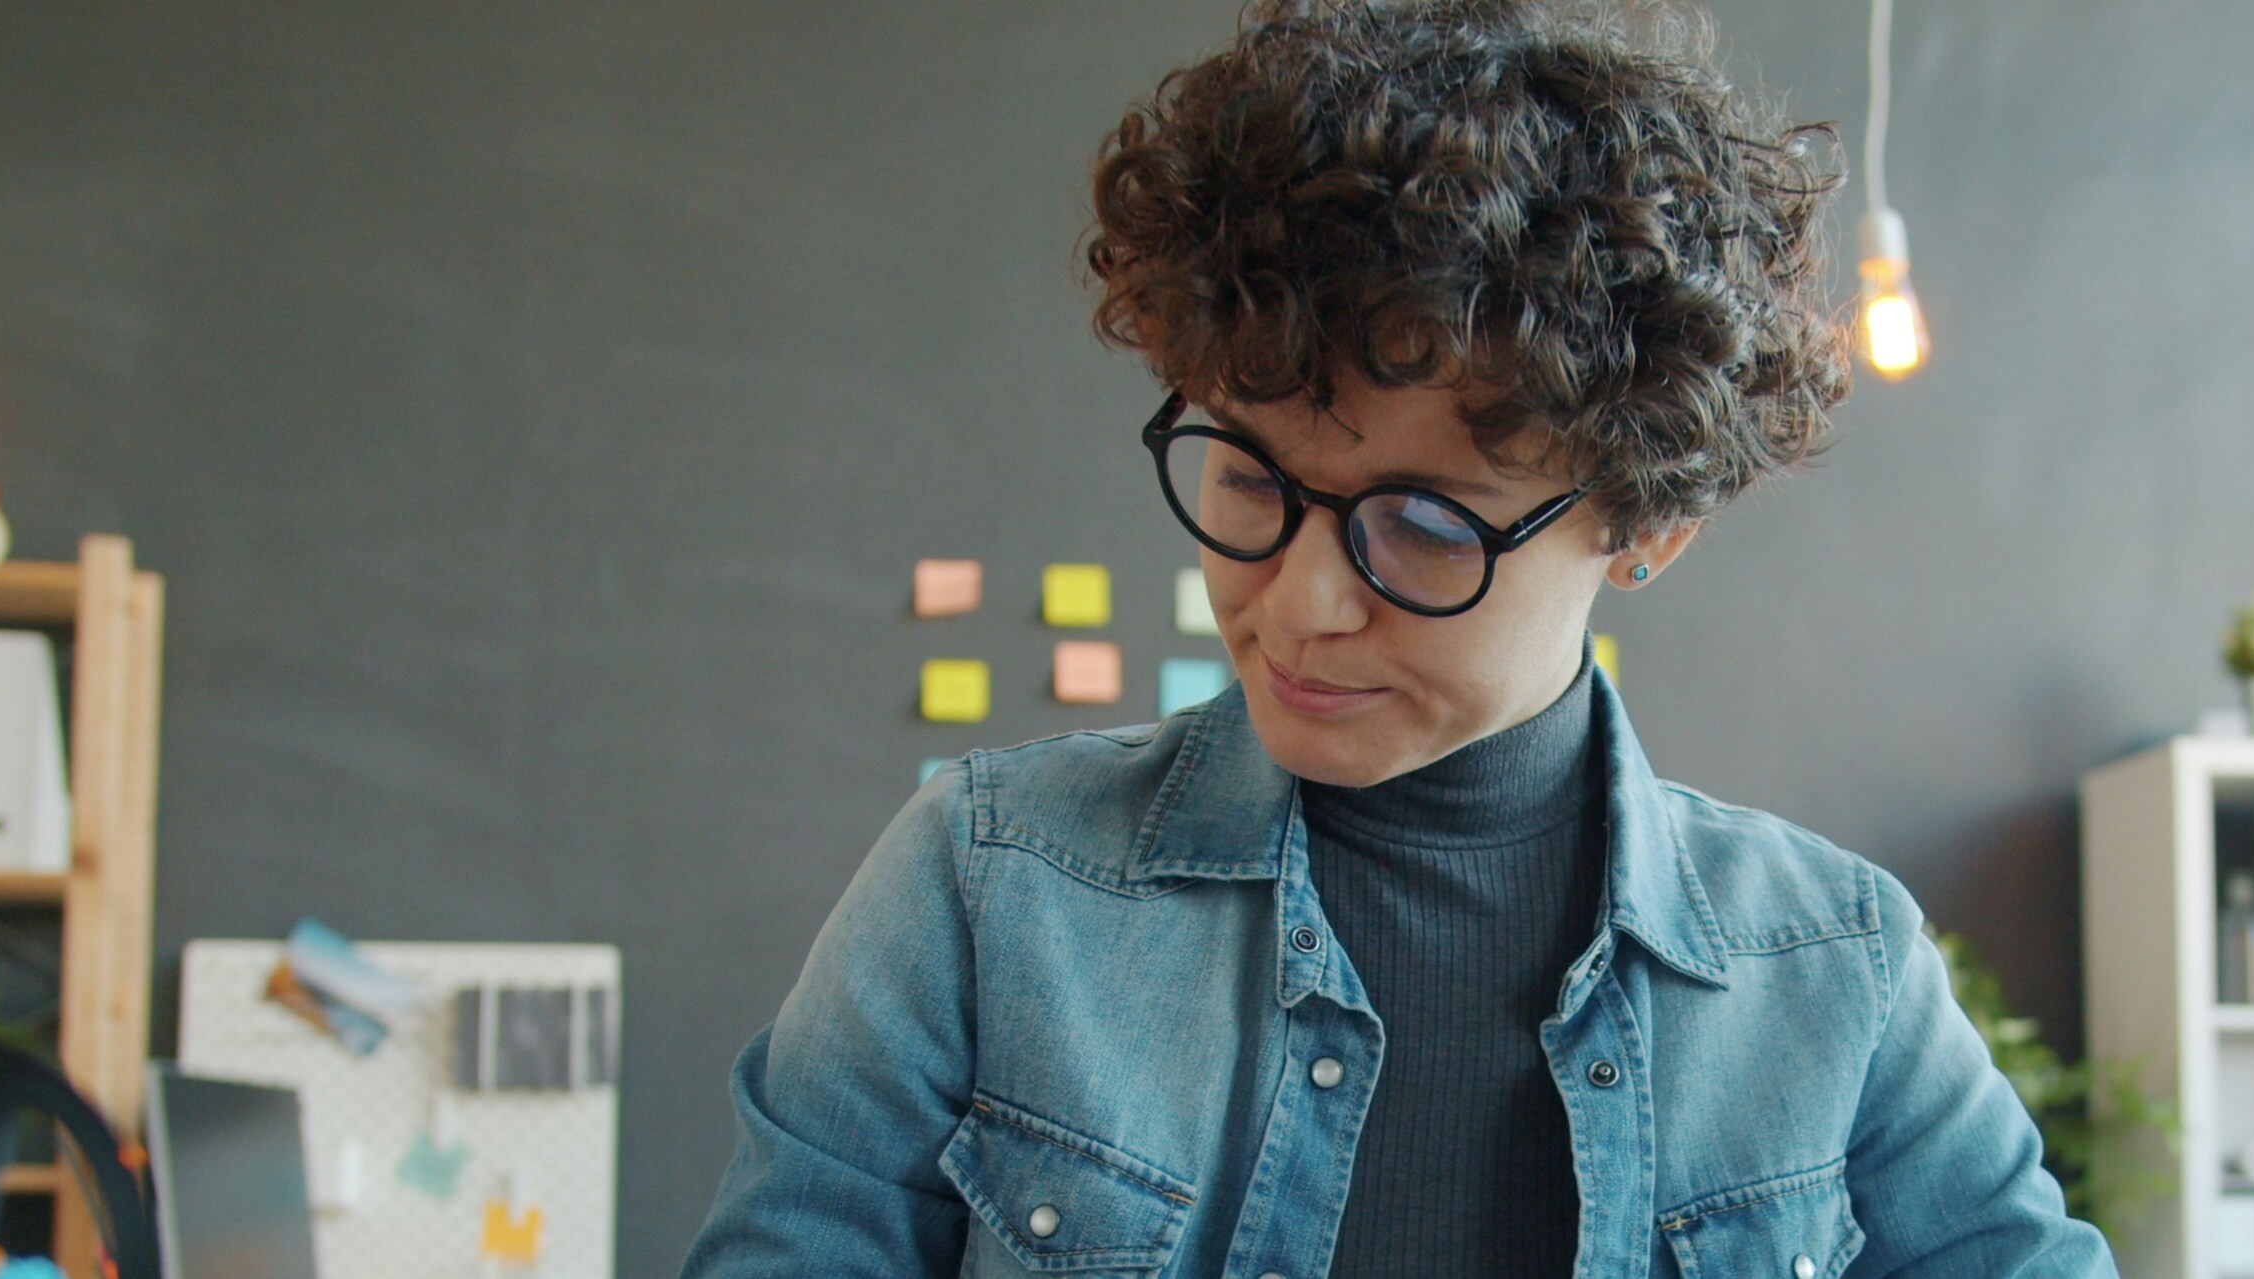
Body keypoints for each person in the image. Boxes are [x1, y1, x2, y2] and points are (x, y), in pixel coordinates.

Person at [680, 2, 2110, 1276]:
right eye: (1252, 482)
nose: (1300, 603)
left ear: (1646, 524)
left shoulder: (1834, 971)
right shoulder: (990, 888)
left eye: (1423, 525)